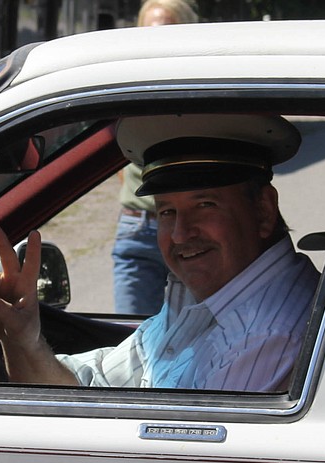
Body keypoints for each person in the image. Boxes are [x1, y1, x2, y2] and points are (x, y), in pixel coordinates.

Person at [0, 113, 320, 392]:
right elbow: (96, 386)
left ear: (263, 210)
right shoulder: (213, 296)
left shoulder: (263, 334)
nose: (181, 233)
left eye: (205, 205)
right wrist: (21, 339)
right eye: (167, 212)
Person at [111, 0, 199, 315]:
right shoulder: (126, 85)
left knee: (192, 343)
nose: (155, 43)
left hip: (193, 231)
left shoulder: (206, 87)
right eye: (147, 34)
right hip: (137, 228)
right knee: (129, 339)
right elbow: (112, 154)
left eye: (167, 33)